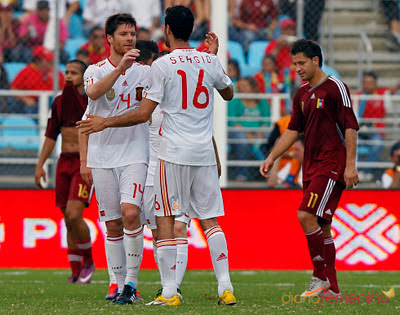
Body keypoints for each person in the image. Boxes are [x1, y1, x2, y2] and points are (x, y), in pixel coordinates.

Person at [78, 5, 236, 307]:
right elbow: (227, 94)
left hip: (171, 152)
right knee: (210, 221)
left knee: (164, 220)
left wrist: (106, 122)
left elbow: (143, 114)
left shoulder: (161, 67)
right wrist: (212, 60)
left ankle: (168, 292)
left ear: (166, 29)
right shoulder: (208, 61)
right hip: (203, 152)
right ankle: (225, 288)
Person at [260, 39, 359, 298]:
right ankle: (333, 290)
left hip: (331, 165)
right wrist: (272, 157)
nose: (297, 68)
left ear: (316, 60)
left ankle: (319, 277)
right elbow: (293, 130)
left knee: (305, 216)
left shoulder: (336, 88)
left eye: (301, 63)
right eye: (294, 64)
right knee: (323, 225)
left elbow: (350, 126)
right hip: (311, 167)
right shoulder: (302, 93)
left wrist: (350, 166)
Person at [78, 13, 149, 305]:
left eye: (132, 34)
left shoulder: (145, 72)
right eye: (123, 34)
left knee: (131, 213)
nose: (130, 38)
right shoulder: (94, 70)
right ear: (109, 39)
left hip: (135, 153)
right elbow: (94, 92)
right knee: (112, 224)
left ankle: (131, 282)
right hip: (102, 156)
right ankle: (115, 282)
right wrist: (120, 68)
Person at [34, 59, 95, 284]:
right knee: (66, 218)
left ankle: (88, 261)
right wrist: (40, 164)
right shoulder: (59, 102)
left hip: (83, 163)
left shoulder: (92, 100)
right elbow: (52, 135)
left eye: (73, 73)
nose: (68, 76)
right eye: (66, 72)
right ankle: (75, 270)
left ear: (84, 76)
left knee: (73, 214)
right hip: (63, 163)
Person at [228, 77, 270, 181]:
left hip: (259, 131)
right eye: (239, 87)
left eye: (244, 86)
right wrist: (248, 135)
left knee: (271, 137)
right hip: (240, 131)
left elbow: (266, 121)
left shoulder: (262, 101)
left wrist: (260, 134)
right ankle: (243, 174)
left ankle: (270, 173)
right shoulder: (234, 100)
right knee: (242, 141)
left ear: (253, 88)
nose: (241, 89)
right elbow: (233, 121)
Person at [10, 45, 65, 113]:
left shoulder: (55, 72)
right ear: (38, 60)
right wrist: (25, 99)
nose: (50, 62)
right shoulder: (27, 71)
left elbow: (63, 88)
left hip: (51, 100)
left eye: (50, 60)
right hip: (33, 102)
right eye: (47, 60)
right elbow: (13, 89)